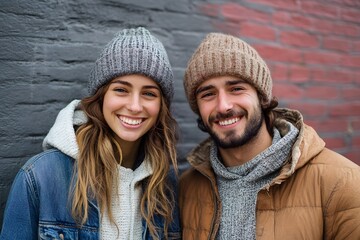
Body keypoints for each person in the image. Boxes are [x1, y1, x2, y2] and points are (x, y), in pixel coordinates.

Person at [0, 27, 180, 239]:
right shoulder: (41, 176)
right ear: (101, 97)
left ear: (161, 106)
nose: (134, 106)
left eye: (149, 93)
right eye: (121, 89)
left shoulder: (167, 187)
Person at [179, 32, 360, 239]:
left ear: (262, 97)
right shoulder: (188, 187)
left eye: (236, 89)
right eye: (208, 94)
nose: (223, 106)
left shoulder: (343, 183)